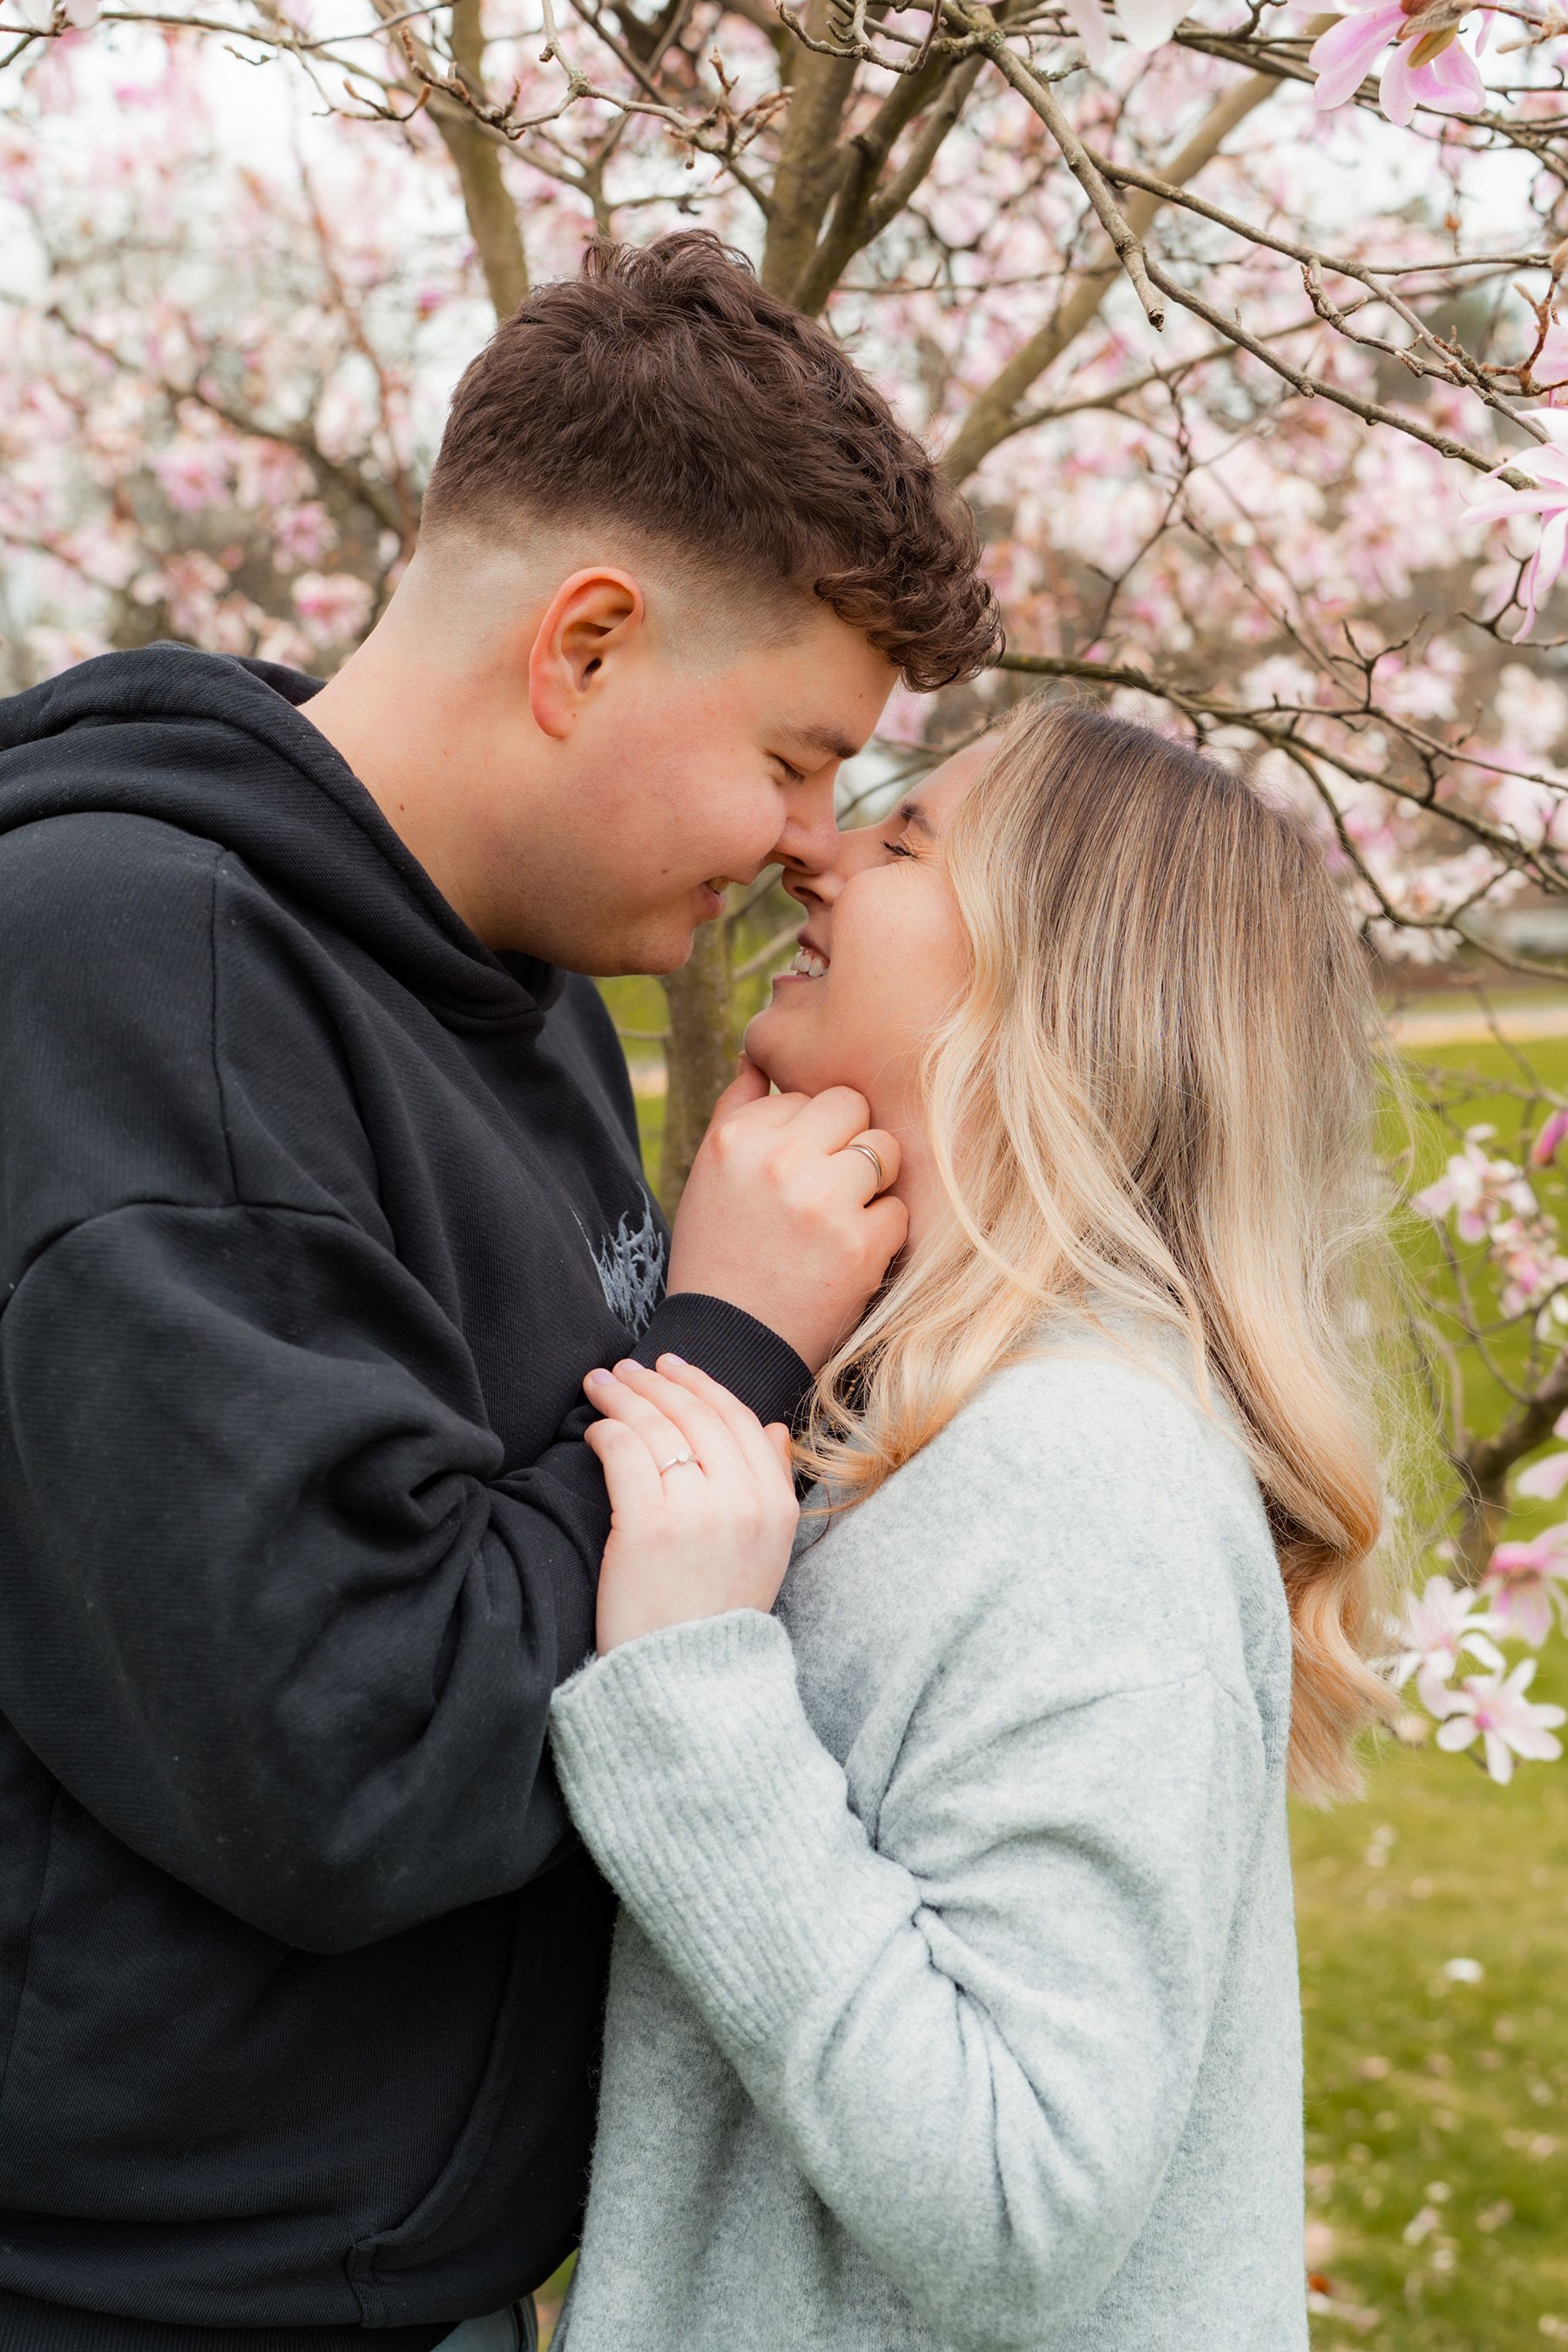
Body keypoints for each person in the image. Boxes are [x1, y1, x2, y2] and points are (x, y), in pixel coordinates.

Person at [0, 233, 999, 2351]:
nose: (816, 840)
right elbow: (356, 1750)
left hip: (420, 2262)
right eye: (799, 755)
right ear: (590, 645)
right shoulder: (123, 980)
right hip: (164, 2296)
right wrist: (727, 1346)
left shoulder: (524, 981)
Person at [547, 700, 1403, 2351]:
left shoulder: (1084, 1474)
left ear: (1055, 985)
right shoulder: (934, 1430)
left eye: (907, 837)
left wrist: (684, 1687)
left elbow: (1021, 2197)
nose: (817, 852)